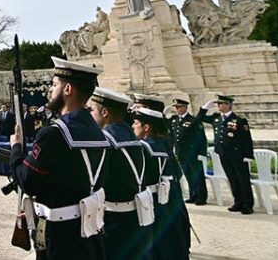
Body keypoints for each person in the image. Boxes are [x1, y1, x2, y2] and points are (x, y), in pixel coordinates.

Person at [10, 57, 109, 259]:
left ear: (68, 89)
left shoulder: (53, 134)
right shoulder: (99, 132)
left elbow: (28, 182)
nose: (50, 91)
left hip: (60, 237)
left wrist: (16, 149)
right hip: (89, 231)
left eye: (55, 85)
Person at [88, 88, 153, 260]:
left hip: (115, 219)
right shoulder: (131, 135)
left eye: (92, 110)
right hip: (138, 215)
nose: (90, 114)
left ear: (105, 112)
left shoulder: (106, 140)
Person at [132, 104, 190, 260]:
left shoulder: (147, 147)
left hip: (155, 199)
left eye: (136, 123)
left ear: (146, 127)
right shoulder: (159, 142)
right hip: (165, 197)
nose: (133, 126)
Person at [197, 95, 254, 214]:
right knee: (232, 178)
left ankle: (247, 204)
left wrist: (248, 155)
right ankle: (238, 201)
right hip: (223, 153)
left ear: (228, 105)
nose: (218, 106)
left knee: (243, 180)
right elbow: (200, 118)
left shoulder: (238, 120)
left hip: (238, 154)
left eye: (221, 104)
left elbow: (246, 139)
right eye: (217, 104)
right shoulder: (216, 118)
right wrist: (204, 107)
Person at [169, 98, 208, 205]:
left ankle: (201, 196)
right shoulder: (175, 120)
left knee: (197, 175)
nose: (177, 109)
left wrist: (202, 153)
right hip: (181, 152)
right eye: (176, 107)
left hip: (193, 152)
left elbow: (201, 138)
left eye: (179, 107)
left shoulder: (193, 120)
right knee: (188, 175)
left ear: (185, 107)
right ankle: (193, 195)